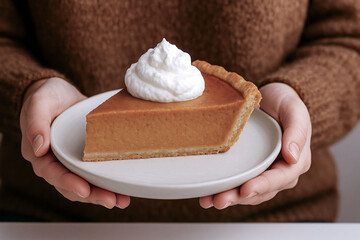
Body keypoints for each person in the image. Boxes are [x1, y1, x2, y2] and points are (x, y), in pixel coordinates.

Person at [0, 0, 359, 222]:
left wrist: (301, 95)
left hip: (279, 223)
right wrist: (28, 89)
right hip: (45, 220)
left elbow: (349, 38)